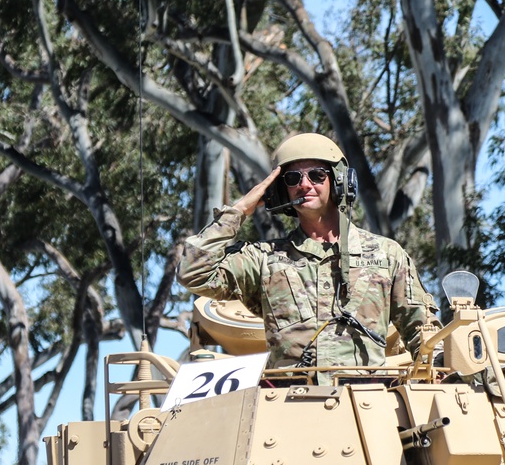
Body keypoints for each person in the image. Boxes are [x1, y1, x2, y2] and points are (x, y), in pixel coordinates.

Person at [178, 132, 440, 383]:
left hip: (368, 405)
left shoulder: (386, 255)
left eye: (316, 175)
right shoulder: (264, 259)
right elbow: (193, 272)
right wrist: (239, 210)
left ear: (339, 181)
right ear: (282, 190)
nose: (304, 184)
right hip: (288, 406)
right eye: (292, 178)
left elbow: (425, 336)